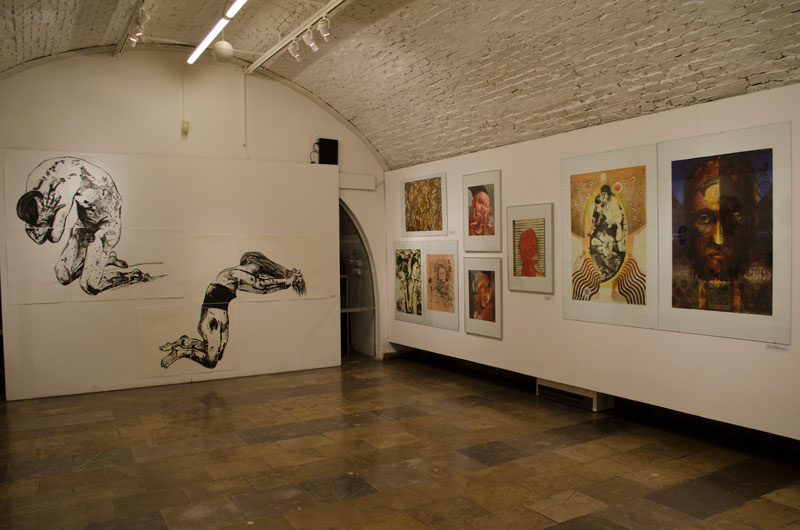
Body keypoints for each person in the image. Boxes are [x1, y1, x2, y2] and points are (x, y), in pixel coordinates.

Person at [16, 157, 150, 294]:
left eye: (44, 218)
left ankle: (133, 276)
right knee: (63, 276)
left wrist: (45, 220)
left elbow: (55, 236)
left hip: (107, 221)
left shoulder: (60, 191)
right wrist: (44, 219)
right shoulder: (33, 188)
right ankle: (108, 260)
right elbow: (37, 237)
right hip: (85, 222)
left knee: (90, 286)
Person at [159, 251, 305, 369]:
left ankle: (185, 342)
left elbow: (262, 290)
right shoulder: (237, 272)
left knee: (218, 355)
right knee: (211, 362)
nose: (261, 271)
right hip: (212, 319)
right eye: (260, 268)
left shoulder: (240, 278)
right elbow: (260, 284)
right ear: (253, 263)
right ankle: (181, 352)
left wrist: (288, 283)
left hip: (221, 317)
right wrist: (287, 281)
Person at [674, 155, 771, 313]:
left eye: (734, 218)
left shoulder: (769, 289)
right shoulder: (677, 288)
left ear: (754, 220)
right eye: (704, 219)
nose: (719, 239)